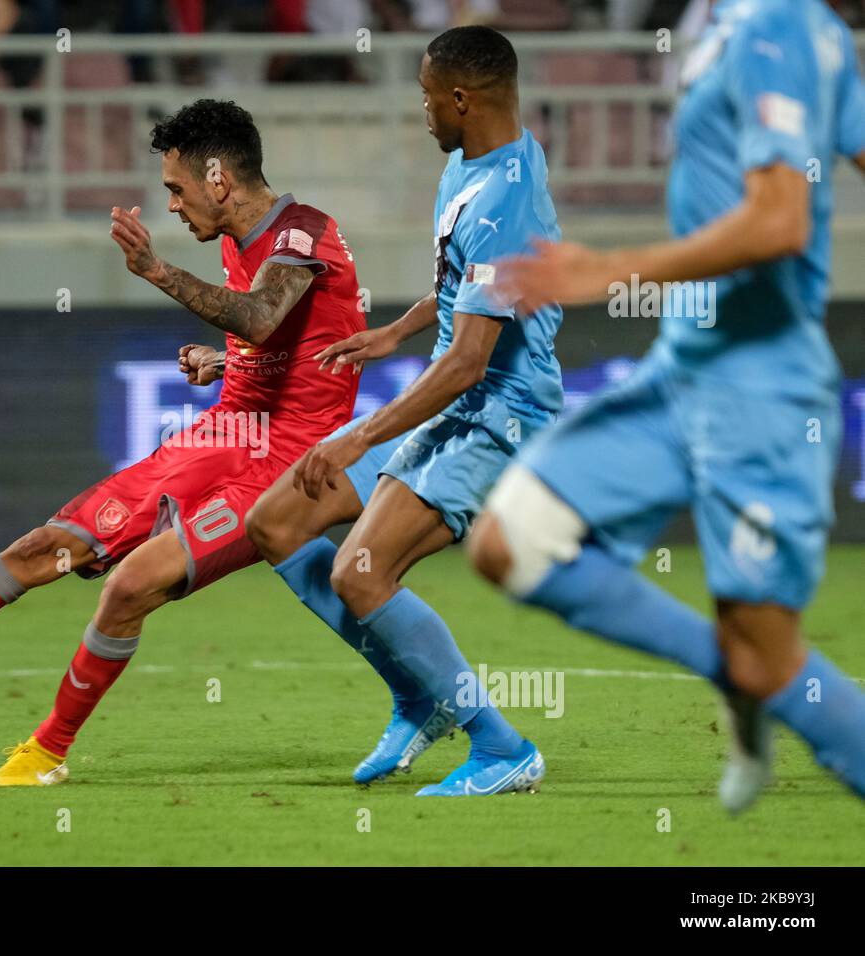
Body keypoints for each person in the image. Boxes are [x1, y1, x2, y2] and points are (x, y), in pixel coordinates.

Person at [0, 99, 367, 786]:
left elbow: (263, 317)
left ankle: (46, 751)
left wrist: (158, 272)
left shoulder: (302, 234)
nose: (171, 205)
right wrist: (224, 362)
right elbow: (300, 344)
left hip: (288, 467)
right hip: (222, 436)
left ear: (218, 178)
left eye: (176, 188)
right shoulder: (240, 239)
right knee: (43, 549)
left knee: (130, 585)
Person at [469, 0, 865, 811]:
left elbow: (782, 219)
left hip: (761, 392)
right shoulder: (738, 22)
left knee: (773, 660)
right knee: (511, 542)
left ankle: (754, 674)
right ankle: (736, 667)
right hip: (683, 373)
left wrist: (609, 271)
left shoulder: (778, 25)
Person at [246, 26, 561, 795]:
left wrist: (358, 436)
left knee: (360, 570)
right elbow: (462, 289)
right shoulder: (468, 164)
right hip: (456, 405)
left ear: (461, 99)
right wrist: (394, 330)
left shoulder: (505, 197)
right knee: (276, 522)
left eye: (426, 97)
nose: (421, 111)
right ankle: (420, 697)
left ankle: (501, 747)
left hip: (498, 417)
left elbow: (468, 364)